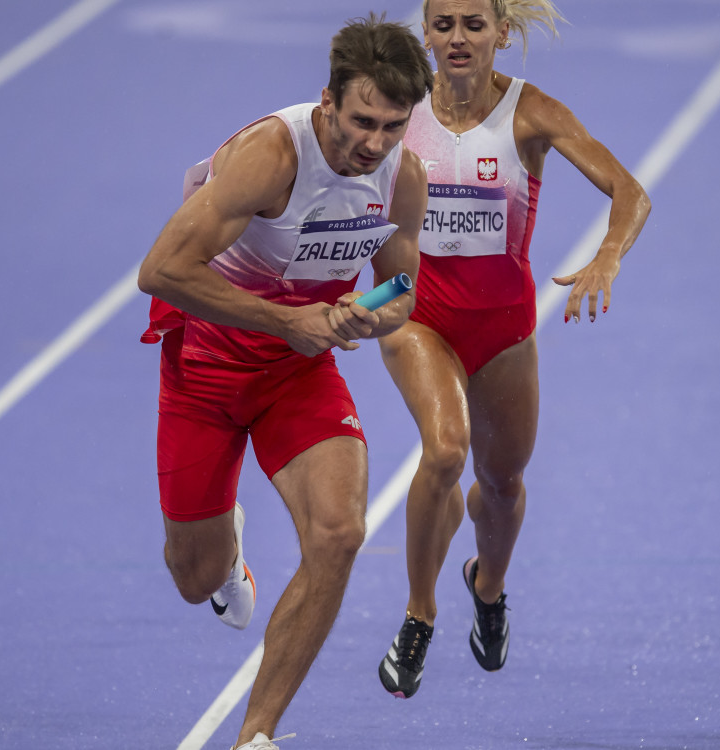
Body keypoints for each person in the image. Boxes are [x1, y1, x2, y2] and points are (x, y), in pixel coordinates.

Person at [136, 15, 433, 750]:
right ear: (326, 101)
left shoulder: (404, 176)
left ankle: (257, 735)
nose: (374, 143)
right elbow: (162, 272)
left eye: (393, 126)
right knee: (195, 578)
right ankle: (224, 546)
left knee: (338, 534)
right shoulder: (271, 155)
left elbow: (400, 288)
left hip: (298, 374)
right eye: (362, 121)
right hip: (206, 368)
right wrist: (287, 319)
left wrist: (373, 318)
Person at [377, 0, 651, 699]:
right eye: (444, 25)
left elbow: (630, 191)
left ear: (502, 33)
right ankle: (418, 614)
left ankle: (487, 585)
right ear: (427, 35)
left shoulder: (532, 114)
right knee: (443, 451)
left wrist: (608, 258)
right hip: (419, 318)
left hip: (503, 330)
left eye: (474, 24)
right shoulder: (399, 113)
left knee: (501, 486)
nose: (459, 38)